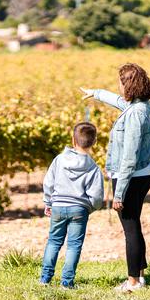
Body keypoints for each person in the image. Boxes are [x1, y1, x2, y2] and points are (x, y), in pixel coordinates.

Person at [81, 63, 150, 293]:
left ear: (128, 84)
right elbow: (119, 102)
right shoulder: (143, 105)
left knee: (130, 229)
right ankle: (140, 275)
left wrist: (119, 193)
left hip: (130, 177)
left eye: (120, 82)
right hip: (143, 174)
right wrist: (97, 93)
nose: (118, 86)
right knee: (135, 225)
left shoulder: (134, 115)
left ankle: (132, 282)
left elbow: (129, 158)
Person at [39, 122, 104, 289]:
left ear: (72, 139)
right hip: (79, 210)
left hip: (58, 206)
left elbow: (48, 182)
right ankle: (66, 282)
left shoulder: (59, 160)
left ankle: (45, 279)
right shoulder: (93, 168)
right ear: (94, 142)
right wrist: (89, 208)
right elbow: (97, 196)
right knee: (74, 245)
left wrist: (48, 201)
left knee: (53, 241)